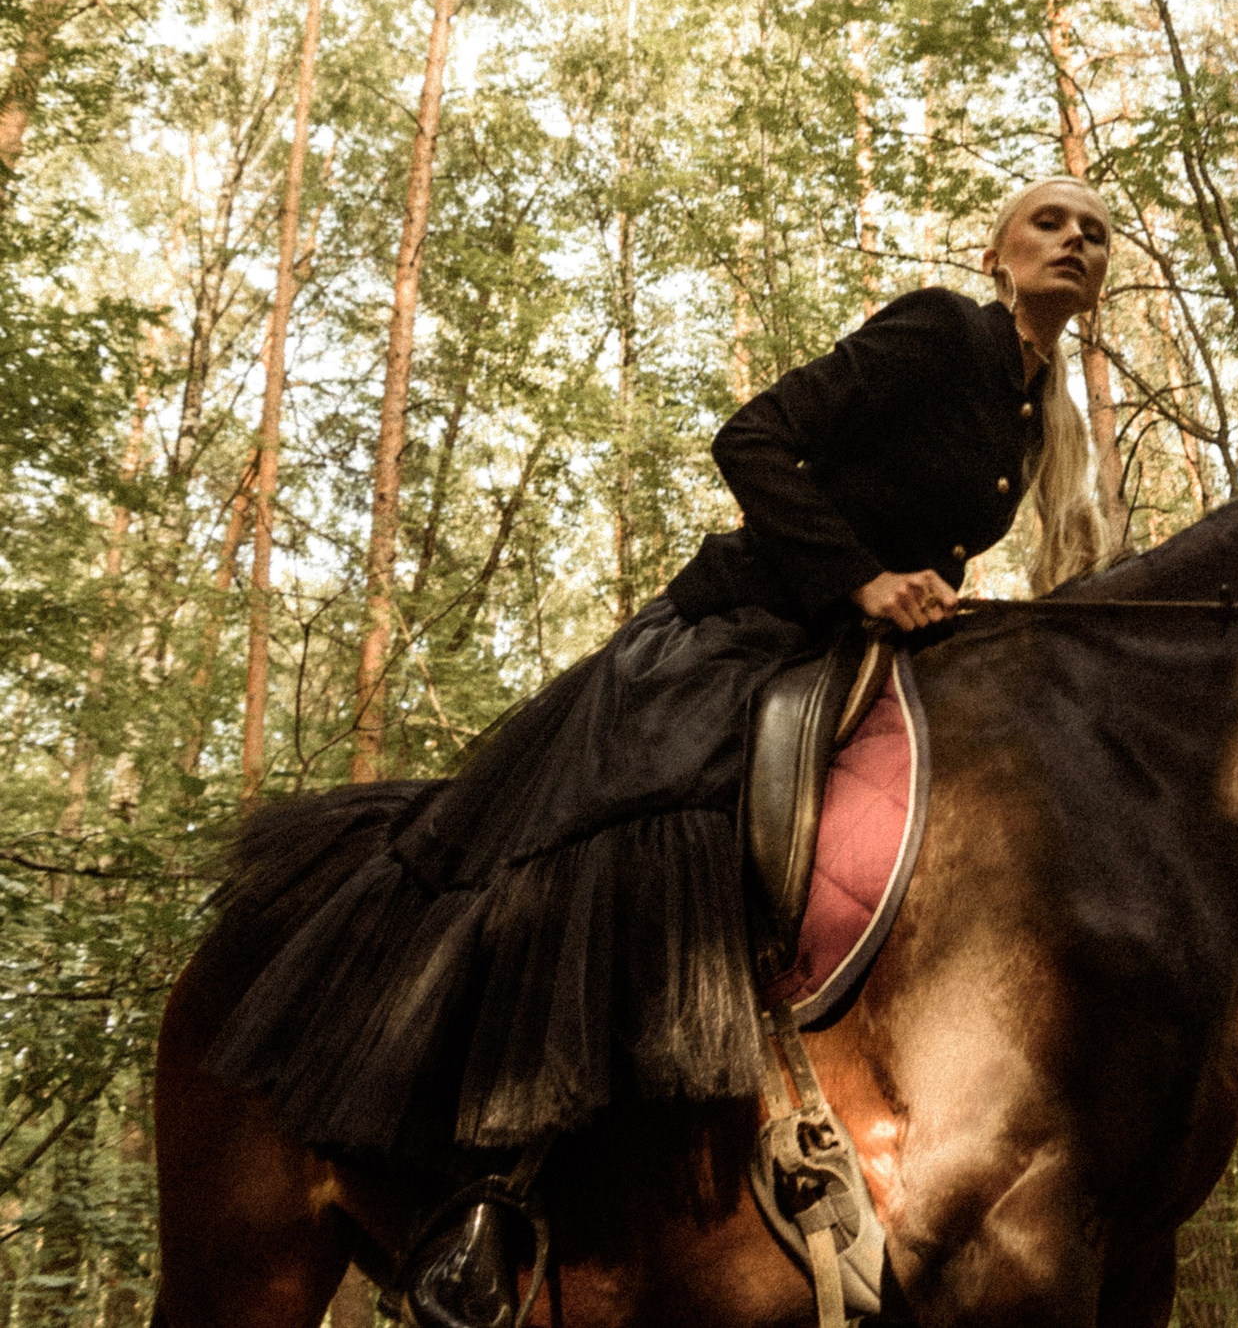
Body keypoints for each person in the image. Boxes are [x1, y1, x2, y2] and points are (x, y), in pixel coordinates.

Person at [205, 175, 1112, 1328]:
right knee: (658, 823)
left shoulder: (1039, 416)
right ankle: (499, 1192)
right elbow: (754, 437)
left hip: (854, 655)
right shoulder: (937, 328)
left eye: (1094, 231)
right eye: (1050, 221)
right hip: (738, 628)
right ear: (997, 252)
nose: (1074, 239)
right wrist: (862, 576)